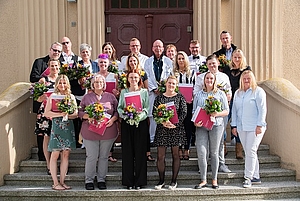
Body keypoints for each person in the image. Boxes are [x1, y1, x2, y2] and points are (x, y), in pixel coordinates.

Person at [78, 74, 119, 190]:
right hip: (90, 131)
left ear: (104, 84)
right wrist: (87, 116)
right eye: (96, 82)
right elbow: (79, 112)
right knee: (91, 156)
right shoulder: (87, 97)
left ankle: (101, 179)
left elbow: (116, 111)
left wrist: (112, 120)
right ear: (92, 84)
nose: (98, 84)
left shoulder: (110, 97)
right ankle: (89, 180)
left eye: (101, 82)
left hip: (108, 131)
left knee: (104, 157)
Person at [193, 54, 232, 173]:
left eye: (214, 63)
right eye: (210, 64)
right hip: (204, 113)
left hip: (219, 113)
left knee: (219, 140)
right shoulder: (201, 77)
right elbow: (196, 92)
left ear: (218, 64)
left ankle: (221, 164)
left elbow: (229, 91)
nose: (212, 66)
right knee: (203, 141)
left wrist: (224, 98)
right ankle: (204, 166)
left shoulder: (224, 77)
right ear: (207, 65)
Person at [193, 72, 229, 189]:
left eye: (211, 78)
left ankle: (214, 179)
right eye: (207, 78)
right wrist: (195, 122)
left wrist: (216, 113)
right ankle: (203, 180)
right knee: (202, 153)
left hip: (216, 126)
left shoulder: (220, 94)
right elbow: (194, 111)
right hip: (201, 127)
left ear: (214, 80)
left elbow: (226, 111)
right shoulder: (198, 95)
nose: (209, 80)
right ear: (204, 80)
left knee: (214, 153)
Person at [231, 70, 267, 188]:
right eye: (244, 78)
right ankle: (256, 176)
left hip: (254, 127)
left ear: (252, 79)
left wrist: (260, 125)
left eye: (248, 78)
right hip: (241, 127)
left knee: (251, 150)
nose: (246, 81)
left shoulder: (258, 92)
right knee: (249, 151)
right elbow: (234, 111)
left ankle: (248, 177)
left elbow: (262, 109)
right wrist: (234, 125)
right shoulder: (238, 93)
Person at [30, 41, 63, 161]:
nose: (56, 52)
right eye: (55, 50)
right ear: (50, 50)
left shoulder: (62, 74)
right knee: (43, 132)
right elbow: (33, 78)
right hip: (43, 106)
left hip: (58, 109)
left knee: (56, 132)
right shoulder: (39, 62)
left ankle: (55, 157)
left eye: (59, 51)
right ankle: (42, 155)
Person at [44, 75, 78, 190]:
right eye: (60, 83)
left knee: (66, 154)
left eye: (64, 83)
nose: (62, 85)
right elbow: (47, 113)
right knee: (55, 154)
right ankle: (55, 182)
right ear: (57, 84)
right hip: (57, 127)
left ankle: (62, 181)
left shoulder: (71, 97)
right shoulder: (53, 96)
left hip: (68, 127)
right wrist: (60, 114)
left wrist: (67, 114)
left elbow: (75, 114)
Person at [117, 69, 149, 190]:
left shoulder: (144, 92)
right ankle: (128, 182)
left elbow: (146, 108)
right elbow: (120, 108)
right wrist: (126, 115)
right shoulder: (124, 92)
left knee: (140, 152)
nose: (133, 80)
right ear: (128, 79)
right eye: (131, 77)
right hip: (127, 123)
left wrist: (138, 116)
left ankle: (140, 181)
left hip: (140, 123)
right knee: (127, 152)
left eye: (136, 77)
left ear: (139, 79)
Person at [153, 75, 187, 190]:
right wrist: (163, 122)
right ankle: (161, 180)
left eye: (173, 83)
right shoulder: (159, 98)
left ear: (176, 85)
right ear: (166, 84)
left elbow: (183, 113)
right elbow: (155, 112)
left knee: (175, 155)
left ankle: (173, 181)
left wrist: (175, 124)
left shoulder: (180, 97)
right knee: (160, 156)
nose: (171, 85)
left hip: (176, 129)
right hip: (162, 129)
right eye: (169, 83)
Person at [124, 53, 154, 161]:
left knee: (144, 127)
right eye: (130, 61)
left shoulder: (142, 73)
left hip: (140, 102)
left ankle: (147, 152)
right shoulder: (124, 74)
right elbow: (121, 87)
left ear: (137, 62)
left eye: (134, 61)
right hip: (127, 104)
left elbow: (146, 87)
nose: (132, 63)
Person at [144, 39, 173, 147]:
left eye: (160, 46)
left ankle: (166, 139)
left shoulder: (168, 61)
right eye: (156, 46)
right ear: (152, 48)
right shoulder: (148, 61)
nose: (158, 49)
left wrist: (163, 88)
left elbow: (170, 76)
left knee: (166, 114)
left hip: (165, 92)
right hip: (153, 92)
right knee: (152, 116)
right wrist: (154, 88)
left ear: (163, 48)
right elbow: (146, 76)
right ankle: (153, 139)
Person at [223, 49, 251, 159]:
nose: (237, 59)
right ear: (232, 58)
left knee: (238, 124)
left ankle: (239, 150)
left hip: (240, 100)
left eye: (239, 57)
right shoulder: (227, 70)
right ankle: (223, 146)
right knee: (224, 122)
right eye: (235, 57)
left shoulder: (246, 70)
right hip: (228, 100)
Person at [34, 58, 60, 175]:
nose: (54, 68)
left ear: (59, 66)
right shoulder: (43, 81)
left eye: (56, 66)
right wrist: (44, 96)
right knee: (46, 137)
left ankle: (58, 162)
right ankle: (49, 164)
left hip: (59, 111)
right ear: (48, 67)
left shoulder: (62, 79)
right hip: (45, 111)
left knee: (58, 136)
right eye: (52, 66)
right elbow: (37, 98)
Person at [173, 51, 196, 160]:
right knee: (178, 126)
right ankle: (179, 148)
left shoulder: (192, 72)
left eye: (182, 58)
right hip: (176, 104)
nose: (181, 60)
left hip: (188, 103)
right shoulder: (173, 73)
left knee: (187, 126)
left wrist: (192, 97)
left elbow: (195, 87)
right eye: (179, 59)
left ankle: (186, 148)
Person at [97, 53, 119, 162]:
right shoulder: (94, 76)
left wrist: (117, 93)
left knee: (110, 128)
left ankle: (110, 153)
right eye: (101, 62)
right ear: (98, 63)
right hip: (98, 105)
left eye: (105, 62)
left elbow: (119, 91)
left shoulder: (114, 76)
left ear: (108, 63)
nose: (103, 64)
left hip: (110, 105)